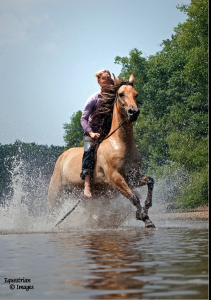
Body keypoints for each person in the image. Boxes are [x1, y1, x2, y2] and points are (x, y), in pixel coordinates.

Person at [80, 69, 113, 198]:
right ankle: (87, 184)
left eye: (109, 77)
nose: (108, 80)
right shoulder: (94, 98)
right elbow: (83, 119)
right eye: (105, 78)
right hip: (93, 133)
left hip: (108, 133)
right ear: (99, 81)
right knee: (89, 151)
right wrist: (91, 133)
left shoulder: (114, 97)